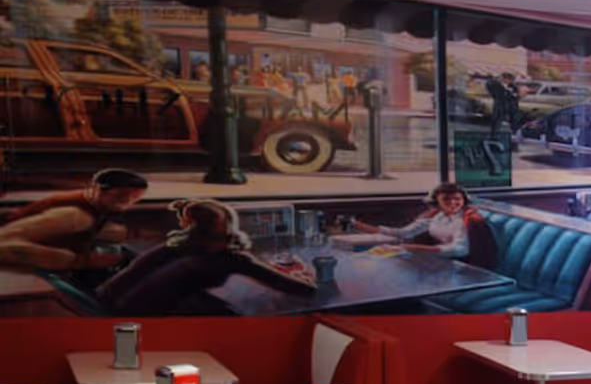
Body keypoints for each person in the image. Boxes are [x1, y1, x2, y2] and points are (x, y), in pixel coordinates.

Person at [96, 199, 316, 316]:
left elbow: (116, 286)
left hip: (114, 311)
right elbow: (305, 290)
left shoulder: (171, 248)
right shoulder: (231, 258)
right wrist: (303, 276)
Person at [0, 168, 147, 273]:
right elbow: (6, 244)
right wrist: (77, 261)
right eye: (121, 195)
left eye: (135, 197)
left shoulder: (91, 206)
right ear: (97, 190)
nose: (128, 201)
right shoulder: (74, 215)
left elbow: (101, 230)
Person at [351, 183, 497, 268]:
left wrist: (416, 248)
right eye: (447, 199)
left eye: (457, 199)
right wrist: (361, 226)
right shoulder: (435, 216)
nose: (453, 203)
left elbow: (460, 249)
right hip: (437, 261)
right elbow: (404, 233)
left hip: (460, 266)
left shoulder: (465, 220)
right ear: (437, 202)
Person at [486, 72, 520, 138]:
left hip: (509, 106)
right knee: (496, 119)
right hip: (499, 105)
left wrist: (513, 96)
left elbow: (515, 96)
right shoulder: (496, 85)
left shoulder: (513, 87)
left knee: (509, 120)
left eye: (509, 80)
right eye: (506, 79)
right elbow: (489, 86)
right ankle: (493, 134)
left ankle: (510, 133)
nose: (507, 81)